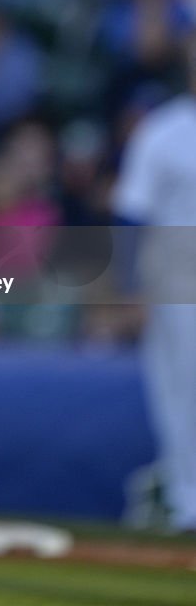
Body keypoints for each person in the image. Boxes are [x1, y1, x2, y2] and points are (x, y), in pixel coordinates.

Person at [111, 35, 196, 534]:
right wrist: (128, 286)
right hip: (175, 282)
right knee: (182, 389)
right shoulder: (164, 131)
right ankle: (188, 503)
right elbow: (130, 213)